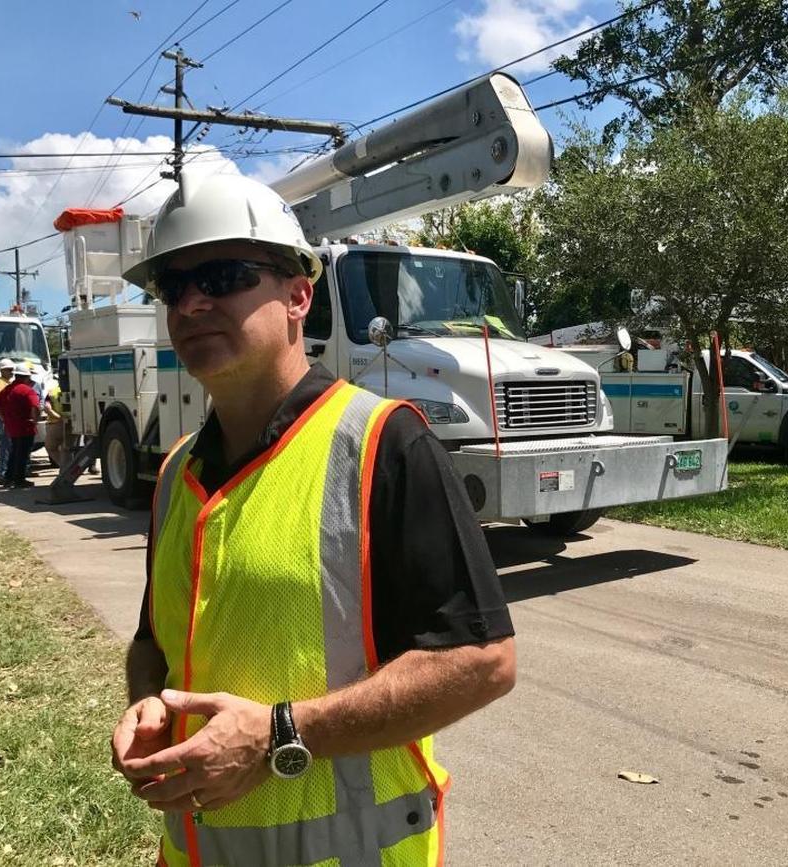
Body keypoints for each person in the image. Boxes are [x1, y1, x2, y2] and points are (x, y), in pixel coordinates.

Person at [109, 175, 515, 866]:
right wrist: (147, 701)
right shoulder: (178, 473)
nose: (193, 300)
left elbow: (483, 662)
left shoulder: (386, 443)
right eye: (173, 287)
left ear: (300, 294)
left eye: (224, 274)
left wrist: (277, 734)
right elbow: (154, 640)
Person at [0, 363, 40, 489]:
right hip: (25, 426)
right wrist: (35, 420)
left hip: (12, 427)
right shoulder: (27, 390)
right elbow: (35, 407)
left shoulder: (7, 389)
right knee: (23, 454)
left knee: (13, 452)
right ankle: (19, 480)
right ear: (26, 377)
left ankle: (8, 478)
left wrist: (4, 418)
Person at [0, 358, 14, 485]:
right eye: (9, 370)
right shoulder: (0, 384)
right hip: (4, 419)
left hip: (5, 418)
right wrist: (4, 419)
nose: (12, 371)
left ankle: (6, 474)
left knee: (9, 446)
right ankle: (3, 474)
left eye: (12, 369)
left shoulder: (5, 382)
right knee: (7, 446)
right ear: (2, 370)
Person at [43, 378, 66, 468]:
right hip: (73, 423)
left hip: (56, 423)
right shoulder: (76, 389)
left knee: (51, 447)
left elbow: (46, 408)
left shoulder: (52, 392)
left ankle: (64, 466)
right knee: (68, 449)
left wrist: (59, 417)